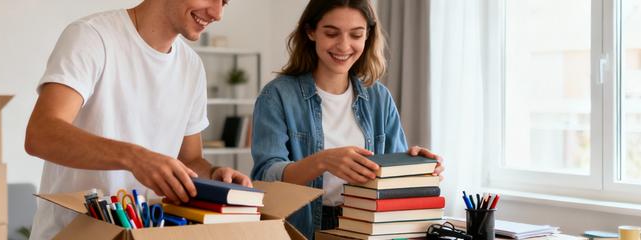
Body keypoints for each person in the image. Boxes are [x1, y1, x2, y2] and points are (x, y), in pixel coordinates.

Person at [24, 1, 250, 239]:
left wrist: (213, 175)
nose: (217, 13)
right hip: (71, 234)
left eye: (224, 1)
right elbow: (41, 133)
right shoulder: (92, 36)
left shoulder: (191, 66)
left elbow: (190, 160)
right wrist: (134, 157)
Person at [249, 0, 444, 238]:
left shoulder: (379, 97)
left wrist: (419, 168)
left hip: (367, 227)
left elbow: (395, 182)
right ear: (311, 32)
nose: (344, 45)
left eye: (356, 35)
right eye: (331, 33)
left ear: (367, 37)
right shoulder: (277, 95)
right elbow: (266, 177)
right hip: (303, 228)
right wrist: (322, 162)